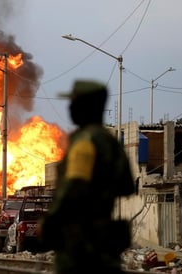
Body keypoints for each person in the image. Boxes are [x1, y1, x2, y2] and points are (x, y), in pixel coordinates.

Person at [38, 79, 135, 274]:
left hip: (79, 246)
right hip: (105, 244)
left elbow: (74, 186)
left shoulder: (84, 142)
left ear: (84, 107)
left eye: (74, 102)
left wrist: (51, 220)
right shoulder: (110, 143)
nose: (70, 108)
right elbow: (127, 187)